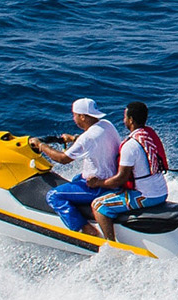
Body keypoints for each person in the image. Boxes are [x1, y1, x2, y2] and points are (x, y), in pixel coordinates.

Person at [30, 98, 122, 236]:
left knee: (53, 196)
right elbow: (93, 141)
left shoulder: (87, 138)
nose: (74, 118)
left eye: (75, 115)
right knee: (76, 178)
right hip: (112, 176)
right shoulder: (106, 124)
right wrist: (74, 139)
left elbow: (63, 159)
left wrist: (41, 145)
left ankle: (86, 229)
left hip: (99, 186)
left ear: (83, 117)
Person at [88, 102, 171, 242]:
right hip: (162, 191)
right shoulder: (148, 135)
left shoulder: (130, 145)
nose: (123, 120)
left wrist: (97, 183)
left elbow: (120, 179)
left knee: (98, 205)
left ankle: (111, 244)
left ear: (131, 120)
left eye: (125, 117)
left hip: (147, 196)